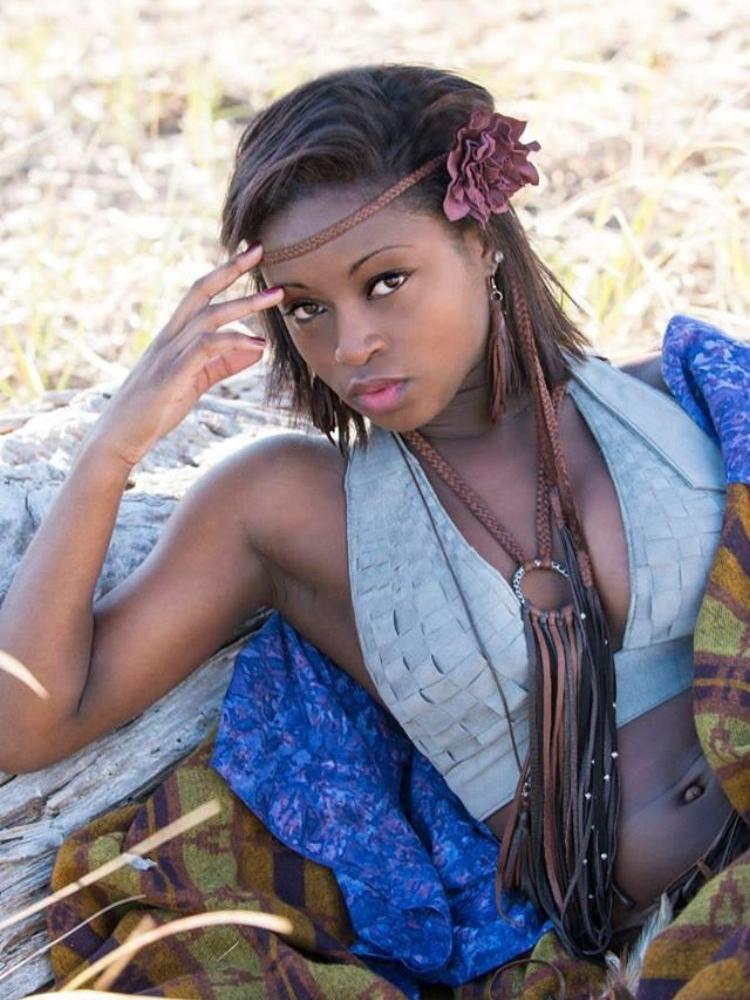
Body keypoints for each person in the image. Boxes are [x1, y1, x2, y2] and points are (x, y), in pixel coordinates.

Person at [0, 64, 743, 969]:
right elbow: (28, 723)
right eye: (307, 308)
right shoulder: (292, 506)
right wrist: (112, 449)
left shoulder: (678, 404)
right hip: (652, 940)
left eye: (385, 281)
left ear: (484, 245)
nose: (349, 345)